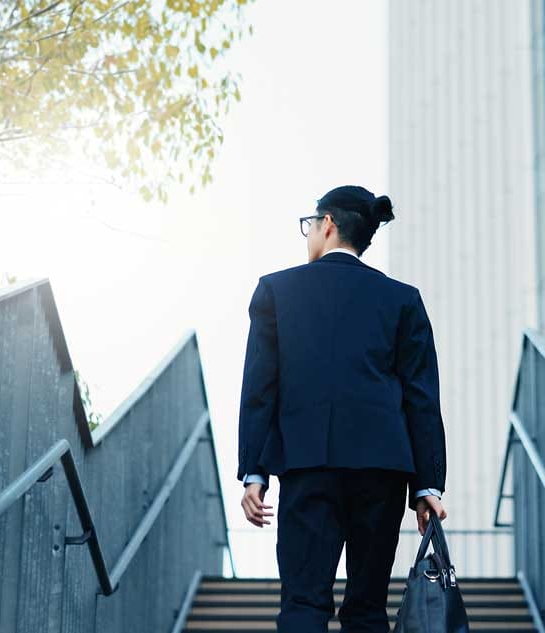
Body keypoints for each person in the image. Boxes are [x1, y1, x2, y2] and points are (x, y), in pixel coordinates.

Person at [237, 184, 448, 633]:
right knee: (368, 610)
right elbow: (421, 397)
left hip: (306, 464)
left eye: (310, 225)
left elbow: (259, 388)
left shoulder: (276, 291)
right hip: (382, 471)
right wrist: (427, 484)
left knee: (302, 604)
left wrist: (255, 472)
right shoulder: (402, 299)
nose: (309, 234)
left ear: (327, 224)